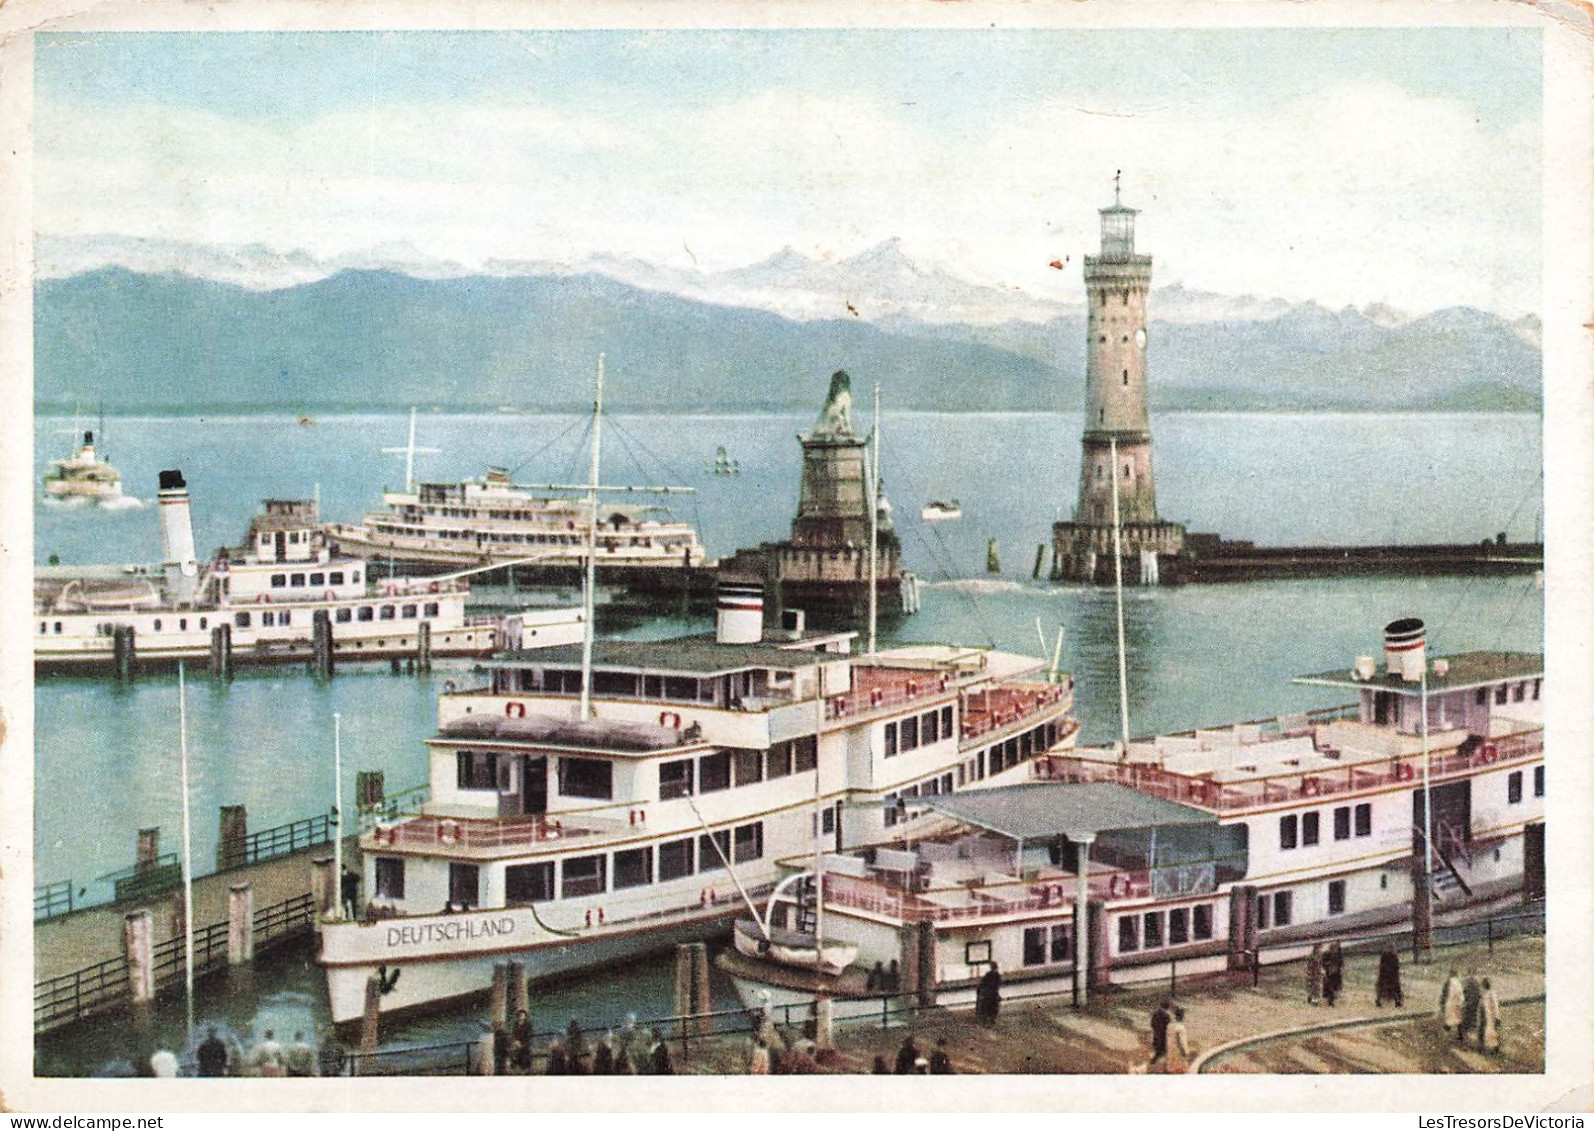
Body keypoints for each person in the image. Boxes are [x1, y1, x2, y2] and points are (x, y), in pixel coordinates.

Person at [1162, 1007, 1191, 1074]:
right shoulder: (1181, 1028)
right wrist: (1186, 1053)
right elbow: (1182, 1043)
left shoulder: (1169, 1026)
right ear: (1182, 1016)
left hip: (1170, 1053)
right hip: (1179, 1055)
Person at [1375, 943, 1404, 1008]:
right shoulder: (1391, 956)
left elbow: (1382, 966)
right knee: (1392, 988)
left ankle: (1379, 1000)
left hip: (1388, 974)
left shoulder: (1386, 956)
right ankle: (1397, 1001)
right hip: (1389, 975)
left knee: (1385, 987)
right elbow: (1396, 967)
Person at [1478, 977, 1502, 1053]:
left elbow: (1494, 1006)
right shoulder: (1486, 993)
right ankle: (1488, 1048)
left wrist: (1497, 1017)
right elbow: (1482, 1006)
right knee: (1488, 1032)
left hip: (1489, 1016)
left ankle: (1494, 1048)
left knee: (1489, 1032)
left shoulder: (1489, 994)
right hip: (1487, 1016)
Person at [1459, 971, 1483, 1045]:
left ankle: (1464, 1037)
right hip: (1473, 1005)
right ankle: (1467, 1036)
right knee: (1472, 1021)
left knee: (1467, 1020)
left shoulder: (1468, 983)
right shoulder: (1477, 983)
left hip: (1470, 1005)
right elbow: (1479, 994)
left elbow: (1464, 993)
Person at [1439, 968, 1465, 1032]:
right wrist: (1461, 1003)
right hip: (1457, 1003)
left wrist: (1442, 1003)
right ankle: (1460, 1036)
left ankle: (1446, 1032)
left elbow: (1444, 993)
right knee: (1458, 1019)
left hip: (1450, 1003)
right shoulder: (1459, 982)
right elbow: (1461, 994)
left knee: (1449, 1020)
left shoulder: (1448, 982)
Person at [1149, 1001, 1172, 1069]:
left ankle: (1153, 1063)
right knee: (1163, 1052)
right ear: (1167, 1008)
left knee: (1157, 1052)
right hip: (1163, 1037)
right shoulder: (1166, 1016)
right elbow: (1168, 1027)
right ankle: (1163, 1066)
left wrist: (1155, 1030)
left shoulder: (1155, 1013)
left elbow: (1152, 1024)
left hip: (1156, 1035)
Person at [1322, 942, 1344, 1007]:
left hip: (1336, 974)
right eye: (1333, 948)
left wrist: (1341, 970)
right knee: (1329, 988)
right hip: (1329, 974)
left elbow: (1341, 964)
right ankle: (1330, 1001)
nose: (1334, 950)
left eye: (1335, 948)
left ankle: (1332, 999)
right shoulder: (1326, 955)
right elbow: (1323, 964)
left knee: (1336, 988)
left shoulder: (1339, 956)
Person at [512, 1009, 533, 1073]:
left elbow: (529, 1036)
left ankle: (525, 1068)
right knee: (514, 1052)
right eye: (519, 1015)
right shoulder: (515, 1024)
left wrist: (522, 1043)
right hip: (517, 1042)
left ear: (525, 1017)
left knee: (523, 1054)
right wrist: (515, 1041)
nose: (520, 1017)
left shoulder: (528, 1025)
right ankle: (516, 1067)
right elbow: (514, 1034)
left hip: (525, 1043)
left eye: (522, 1015)